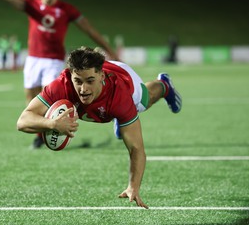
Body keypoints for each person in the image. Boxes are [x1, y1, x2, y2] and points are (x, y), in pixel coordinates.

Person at [17, 46, 182, 209]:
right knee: (121, 116)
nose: (83, 89)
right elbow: (23, 121)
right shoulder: (61, 85)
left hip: (123, 77)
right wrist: (52, 124)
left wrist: (133, 186)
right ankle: (120, 120)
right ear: (70, 75)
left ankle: (164, 85)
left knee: (145, 101)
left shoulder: (120, 96)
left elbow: (136, 148)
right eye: (78, 81)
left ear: (101, 76)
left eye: (90, 81)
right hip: (106, 97)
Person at [0, 0, 119, 148]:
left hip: (53, 60)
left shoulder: (66, 9)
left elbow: (89, 29)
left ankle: (60, 131)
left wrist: (110, 50)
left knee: (51, 98)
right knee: (31, 98)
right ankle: (40, 136)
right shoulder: (32, 5)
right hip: (33, 59)